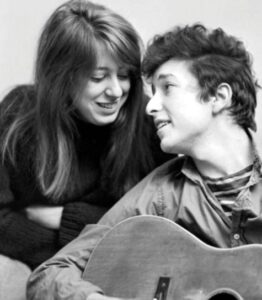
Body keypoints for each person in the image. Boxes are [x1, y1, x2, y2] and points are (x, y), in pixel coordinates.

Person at [27, 23, 261, 300]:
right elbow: (50, 274)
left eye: (167, 87)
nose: (150, 106)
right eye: (153, 91)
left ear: (218, 97)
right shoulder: (158, 194)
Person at [0, 0, 172, 299]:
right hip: (34, 267)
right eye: (98, 77)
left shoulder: (147, 120)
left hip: (123, 273)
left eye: (124, 74)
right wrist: (73, 251)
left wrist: (68, 218)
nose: (116, 91)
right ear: (61, 76)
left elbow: (159, 225)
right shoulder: (18, 115)